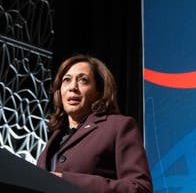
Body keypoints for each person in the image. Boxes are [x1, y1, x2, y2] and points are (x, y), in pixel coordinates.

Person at [36, 54, 153, 193]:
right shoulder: (56, 138)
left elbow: (140, 188)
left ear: (99, 91)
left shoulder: (119, 126)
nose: (72, 87)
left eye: (83, 80)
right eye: (66, 80)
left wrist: (68, 181)